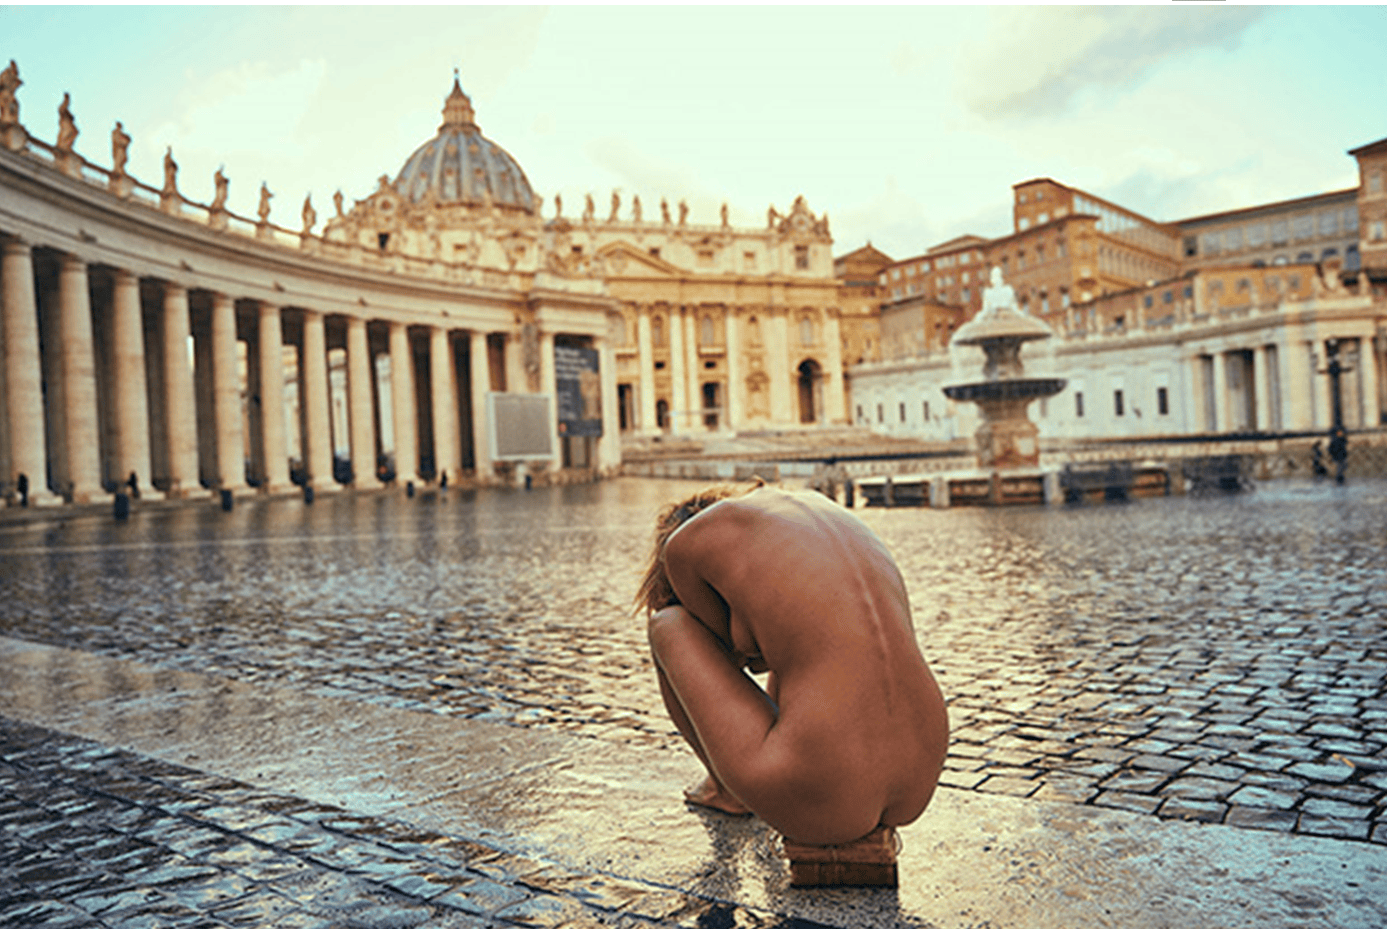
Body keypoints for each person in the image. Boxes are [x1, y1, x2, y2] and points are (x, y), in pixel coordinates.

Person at [637, 482, 949, 847]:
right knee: (804, 653)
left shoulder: (682, 547)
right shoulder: (814, 512)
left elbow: (731, 654)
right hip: (921, 774)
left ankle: (725, 789)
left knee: (668, 624)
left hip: (824, 793)